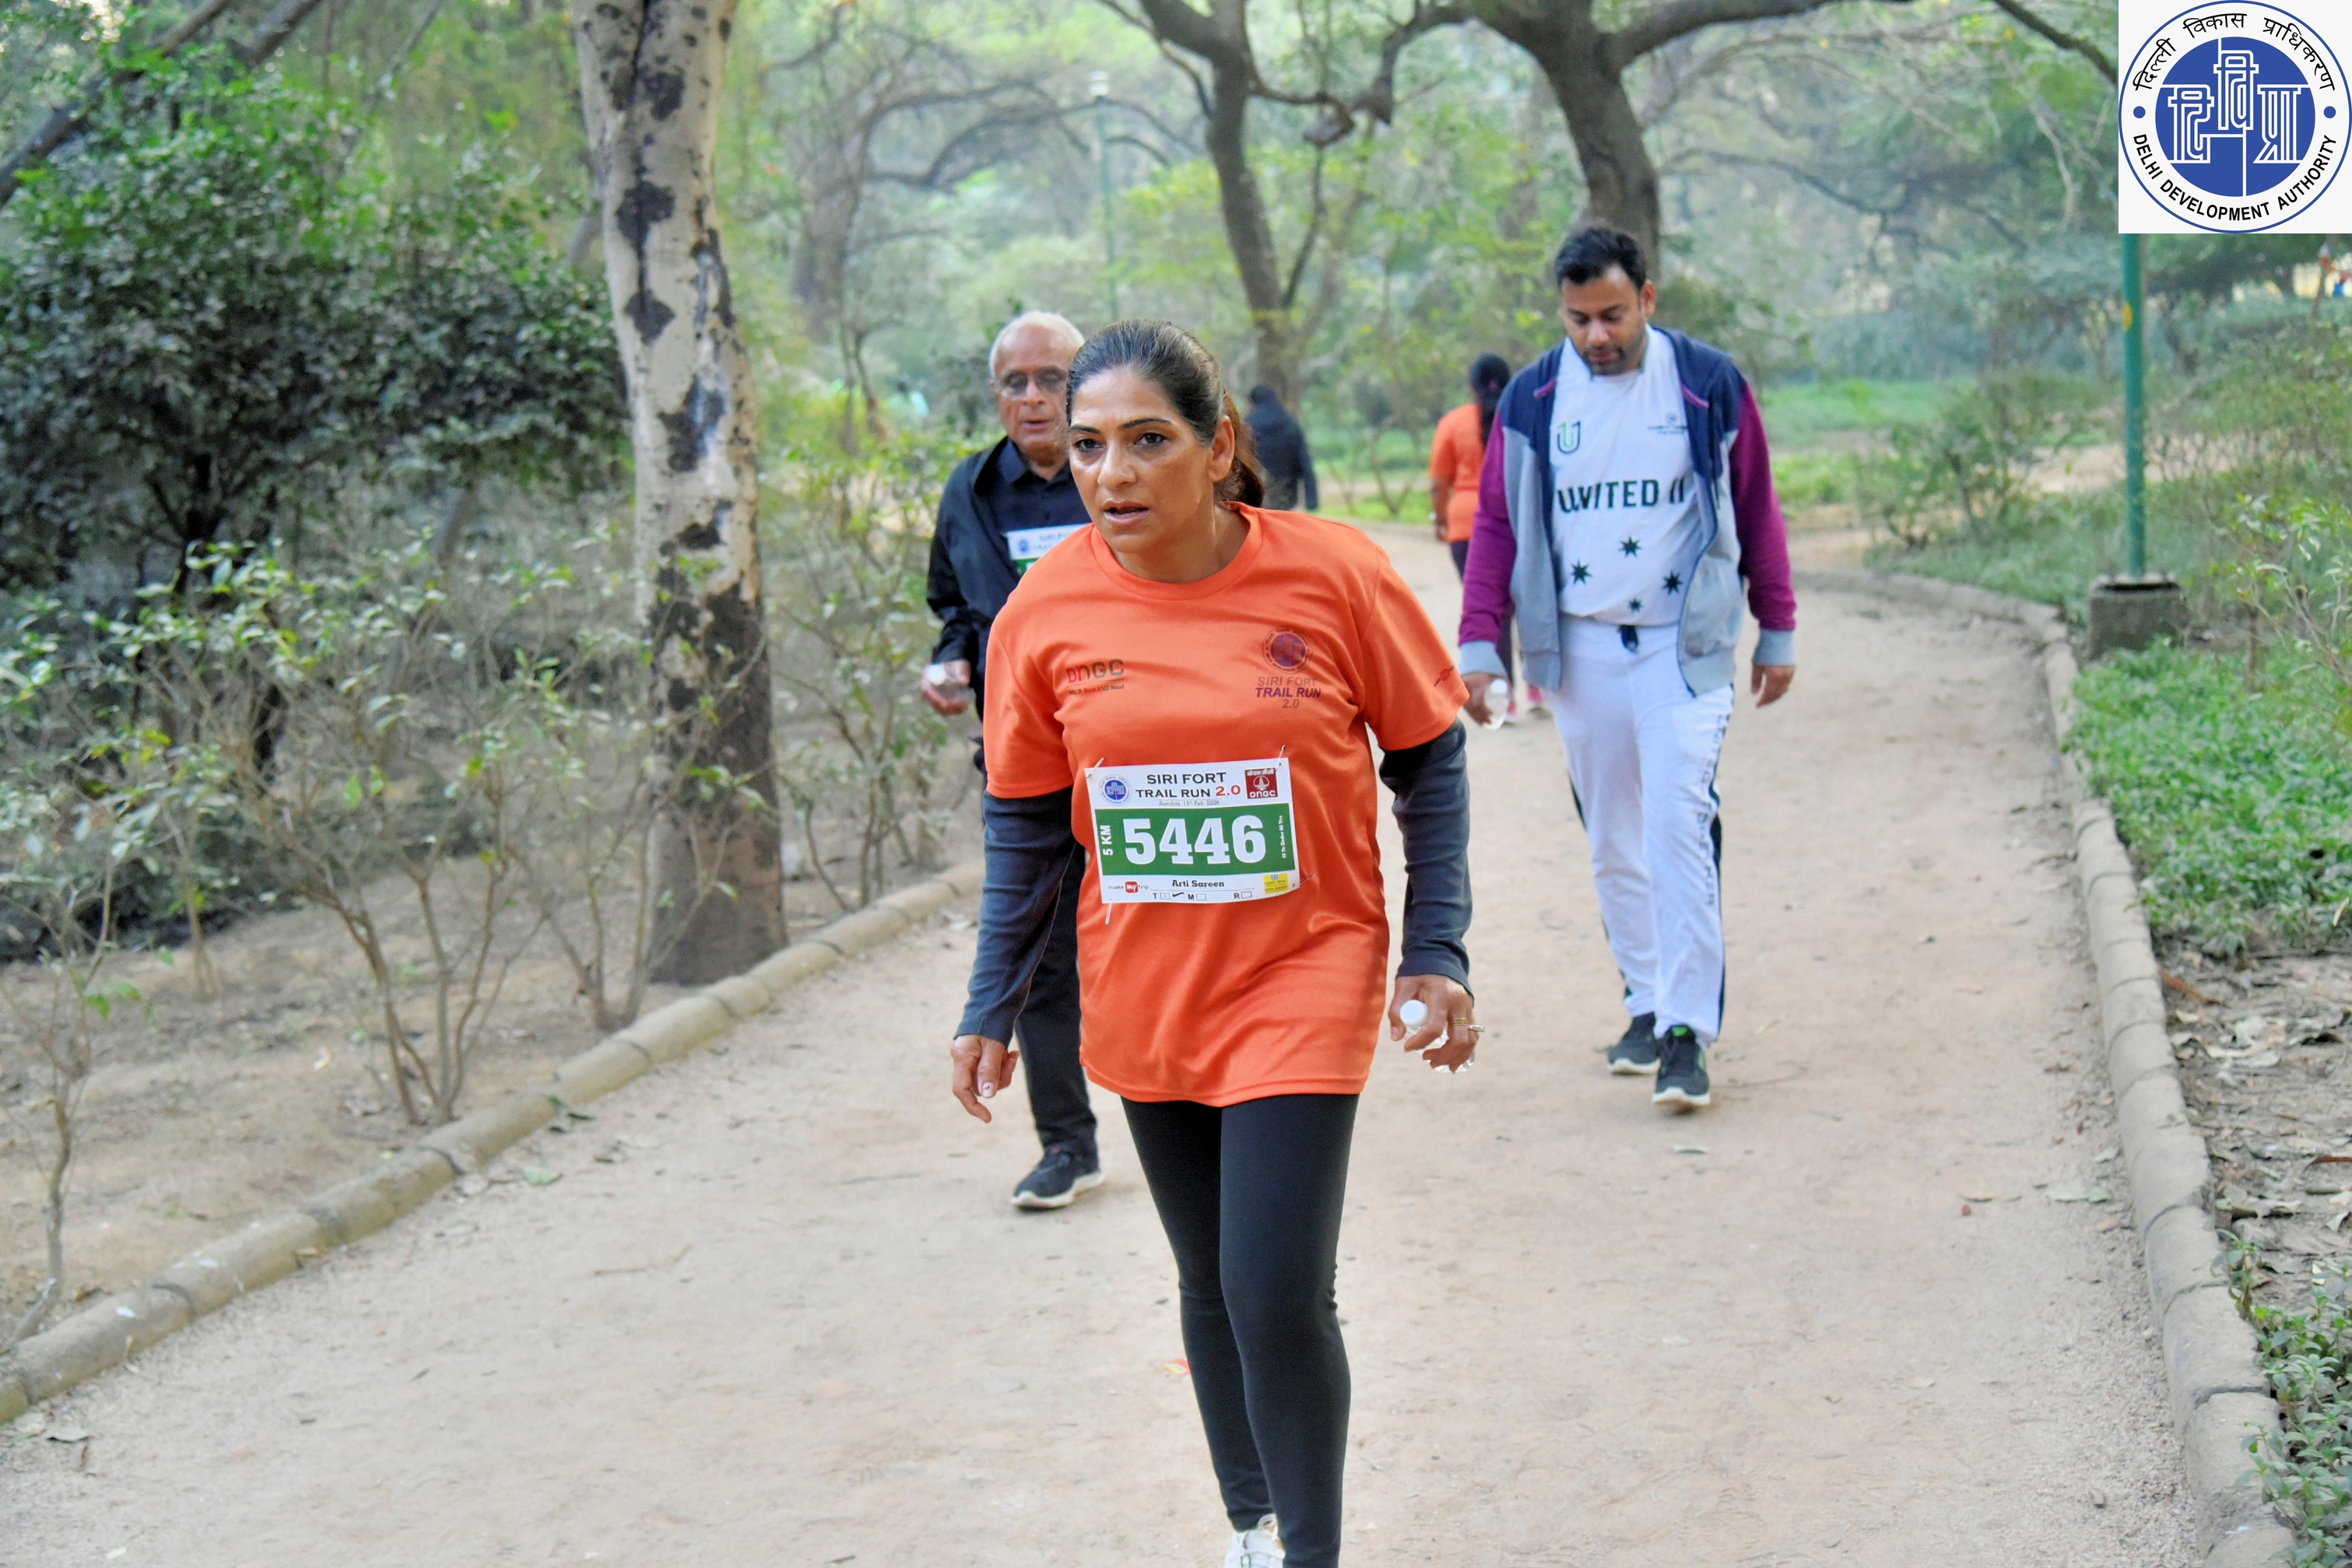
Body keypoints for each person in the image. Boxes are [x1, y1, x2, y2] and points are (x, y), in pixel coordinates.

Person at [950, 320, 1476, 1568]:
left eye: (1147, 440)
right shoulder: (1042, 612)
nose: (1112, 472)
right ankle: (1253, 1521)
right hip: (1146, 979)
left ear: (1217, 443)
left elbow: (1427, 757)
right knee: (1208, 1276)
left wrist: (1436, 945)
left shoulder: (1333, 574)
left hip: (1306, 962)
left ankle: (1310, 1553)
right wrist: (989, 1001)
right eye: (1088, 446)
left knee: (1274, 1285)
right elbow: (1026, 827)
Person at [1458, 225, 1796, 1112]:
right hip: (1582, 649)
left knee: (1677, 820)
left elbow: (1755, 502)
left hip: (1682, 645)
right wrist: (1480, 645)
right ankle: (1645, 1000)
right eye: (1578, 319)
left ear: (1647, 298)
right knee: (1611, 835)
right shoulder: (1533, 396)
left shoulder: (1705, 383)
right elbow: (1496, 522)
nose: (1596, 335)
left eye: (1612, 315)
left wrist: (1778, 625)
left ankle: (1687, 1029)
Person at [921, 310, 1104, 1209]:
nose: (1033, 397)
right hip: (1027, 762)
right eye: (1014, 382)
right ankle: (1067, 1143)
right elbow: (955, 605)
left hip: (1138, 758)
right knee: (1041, 953)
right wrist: (953, 659)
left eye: (1052, 378)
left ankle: (1218, 1115)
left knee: (1176, 937)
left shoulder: (1119, 473)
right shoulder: (971, 491)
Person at [1428, 354, 1518, 715]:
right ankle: (1539, 689)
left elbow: (1438, 482)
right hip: (1515, 520)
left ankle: (1505, 697)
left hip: (1467, 525)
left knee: (1491, 610)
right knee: (1528, 605)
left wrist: (1440, 518)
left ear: (1471, 386)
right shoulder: (1520, 417)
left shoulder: (1453, 423)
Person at [1243, 384, 1318, 510]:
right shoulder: (1290, 423)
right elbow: (1304, 461)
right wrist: (1311, 500)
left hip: (1257, 493)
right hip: (1286, 492)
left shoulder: (1248, 425)